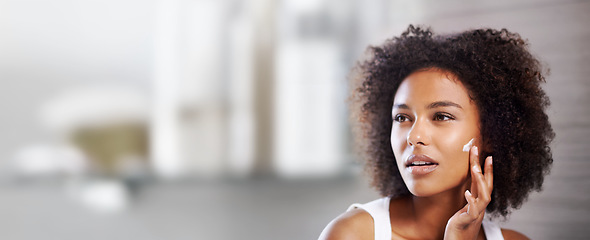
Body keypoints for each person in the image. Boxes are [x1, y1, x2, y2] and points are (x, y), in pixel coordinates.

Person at [319, 25, 554, 240]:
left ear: (491, 134)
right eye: (402, 118)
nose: (413, 136)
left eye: (441, 116)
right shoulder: (352, 234)